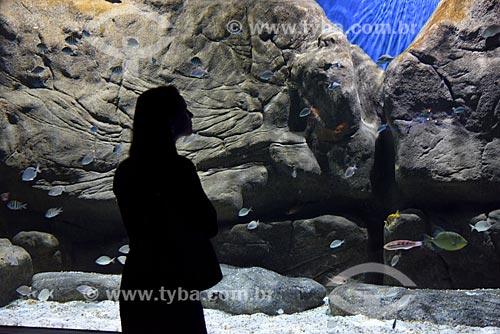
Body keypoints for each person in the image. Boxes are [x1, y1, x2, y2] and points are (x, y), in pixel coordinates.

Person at [113, 86, 223, 333]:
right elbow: (208, 224)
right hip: (175, 280)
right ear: (168, 120)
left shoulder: (126, 171)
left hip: (139, 278)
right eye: (184, 109)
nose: (190, 114)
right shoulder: (179, 169)